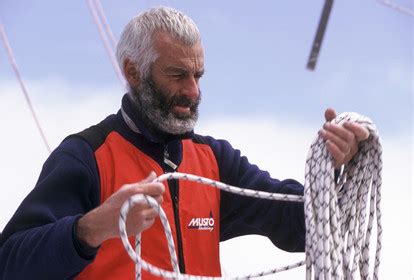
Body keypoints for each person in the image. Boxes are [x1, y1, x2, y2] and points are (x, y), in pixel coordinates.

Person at [0, 6, 369, 279]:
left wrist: (341, 169)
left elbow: (298, 224)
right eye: (177, 75)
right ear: (133, 71)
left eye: (198, 75)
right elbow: (10, 263)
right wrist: (93, 228)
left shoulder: (214, 161)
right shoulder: (86, 157)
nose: (192, 91)